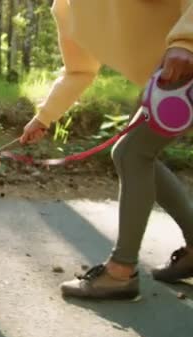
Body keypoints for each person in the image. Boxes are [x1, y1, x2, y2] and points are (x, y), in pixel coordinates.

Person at [20, 0, 193, 300]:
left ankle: (120, 272)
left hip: (183, 66)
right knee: (131, 154)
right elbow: (79, 70)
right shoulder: (66, 7)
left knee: (132, 153)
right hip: (166, 83)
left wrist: (186, 41)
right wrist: (44, 116)